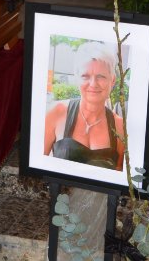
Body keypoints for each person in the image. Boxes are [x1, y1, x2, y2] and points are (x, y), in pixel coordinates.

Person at [43, 41, 126, 169]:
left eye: (101, 76)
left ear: (113, 80)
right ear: (77, 78)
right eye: (85, 76)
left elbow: (120, 174)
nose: (93, 84)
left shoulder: (120, 127)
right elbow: (37, 165)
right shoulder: (57, 113)